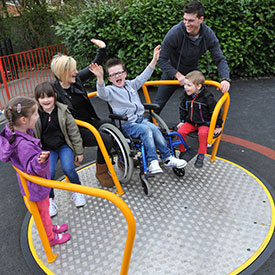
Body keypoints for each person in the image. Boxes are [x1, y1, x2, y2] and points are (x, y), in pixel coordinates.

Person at [90, 45, 187, 174]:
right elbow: (101, 93)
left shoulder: (131, 84)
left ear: (125, 73)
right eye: (113, 75)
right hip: (126, 124)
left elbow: (144, 76)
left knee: (155, 128)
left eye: (119, 73)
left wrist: (154, 60)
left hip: (139, 120)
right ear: (109, 79)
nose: (117, 76)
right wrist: (99, 78)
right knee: (146, 130)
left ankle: (167, 158)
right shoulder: (110, 91)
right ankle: (152, 161)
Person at [0, 96, 71, 246]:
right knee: (43, 214)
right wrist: (41, 161)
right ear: (24, 120)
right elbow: (32, 167)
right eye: (35, 114)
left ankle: (50, 228)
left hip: (33, 186)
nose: (38, 116)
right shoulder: (23, 145)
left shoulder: (16, 132)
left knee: (43, 213)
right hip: (35, 188)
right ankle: (50, 238)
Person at [50, 38, 115, 188]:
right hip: (76, 130)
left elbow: (94, 66)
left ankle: (125, 158)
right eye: (73, 70)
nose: (77, 72)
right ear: (63, 72)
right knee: (105, 139)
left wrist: (102, 49)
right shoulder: (54, 93)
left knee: (114, 126)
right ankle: (102, 172)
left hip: (89, 121)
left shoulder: (76, 80)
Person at [154, 0, 231, 114]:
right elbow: (161, 60)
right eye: (185, 19)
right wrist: (178, 75)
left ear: (201, 19)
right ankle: (145, 126)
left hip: (193, 72)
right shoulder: (175, 33)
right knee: (157, 105)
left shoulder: (208, 34)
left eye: (191, 20)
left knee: (206, 101)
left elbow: (219, 59)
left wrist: (225, 79)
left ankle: (205, 127)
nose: (187, 23)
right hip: (173, 71)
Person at [34, 82, 86, 217]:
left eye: (49, 96)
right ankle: (50, 199)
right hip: (47, 150)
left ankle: (77, 191)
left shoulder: (63, 111)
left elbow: (73, 131)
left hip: (63, 146)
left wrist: (79, 151)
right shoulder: (35, 116)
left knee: (68, 168)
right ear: (37, 100)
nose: (46, 100)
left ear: (55, 96)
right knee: (49, 173)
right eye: (42, 98)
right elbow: (31, 135)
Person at [177, 70, 223, 168]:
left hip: (204, 123)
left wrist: (218, 126)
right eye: (185, 85)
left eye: (189, 85)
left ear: (198, 86)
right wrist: (183, 121)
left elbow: (216, 111)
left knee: (202, 134)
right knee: (180, 132)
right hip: (191, 122)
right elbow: (183, 109)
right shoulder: (186, 96)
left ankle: (201, 154)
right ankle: (183, 151)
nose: (185, 88)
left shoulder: (207, 97)